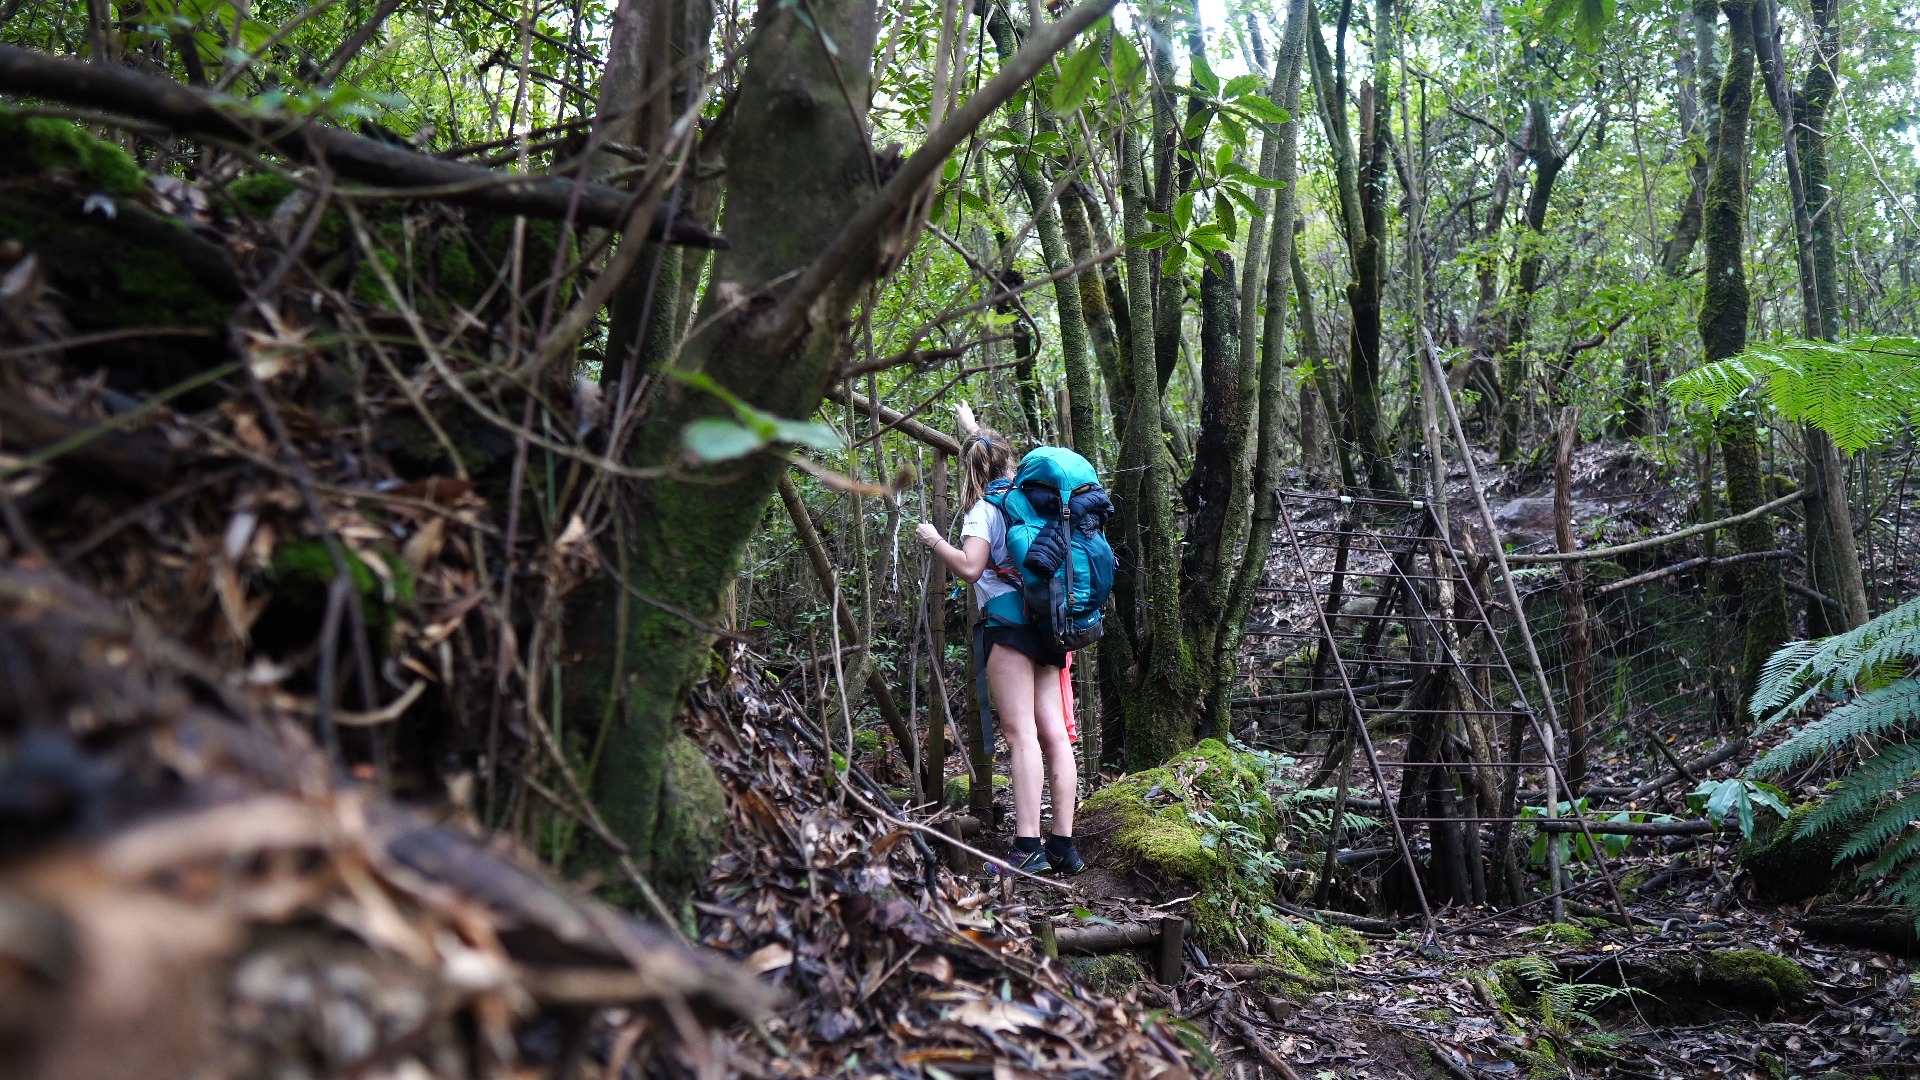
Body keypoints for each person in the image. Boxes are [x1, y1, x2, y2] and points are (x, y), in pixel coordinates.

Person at [915, 403, 1084, 875]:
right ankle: (1063, 846)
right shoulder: (1030, 496)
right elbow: (994, 456)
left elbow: (970, 568)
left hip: (1009, 628)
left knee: (1021, 734)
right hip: (1051, 624)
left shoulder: (983, 510)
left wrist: (933, 540)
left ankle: (1027, 843)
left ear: (970, 471)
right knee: (1054, 733)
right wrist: (972, 429)